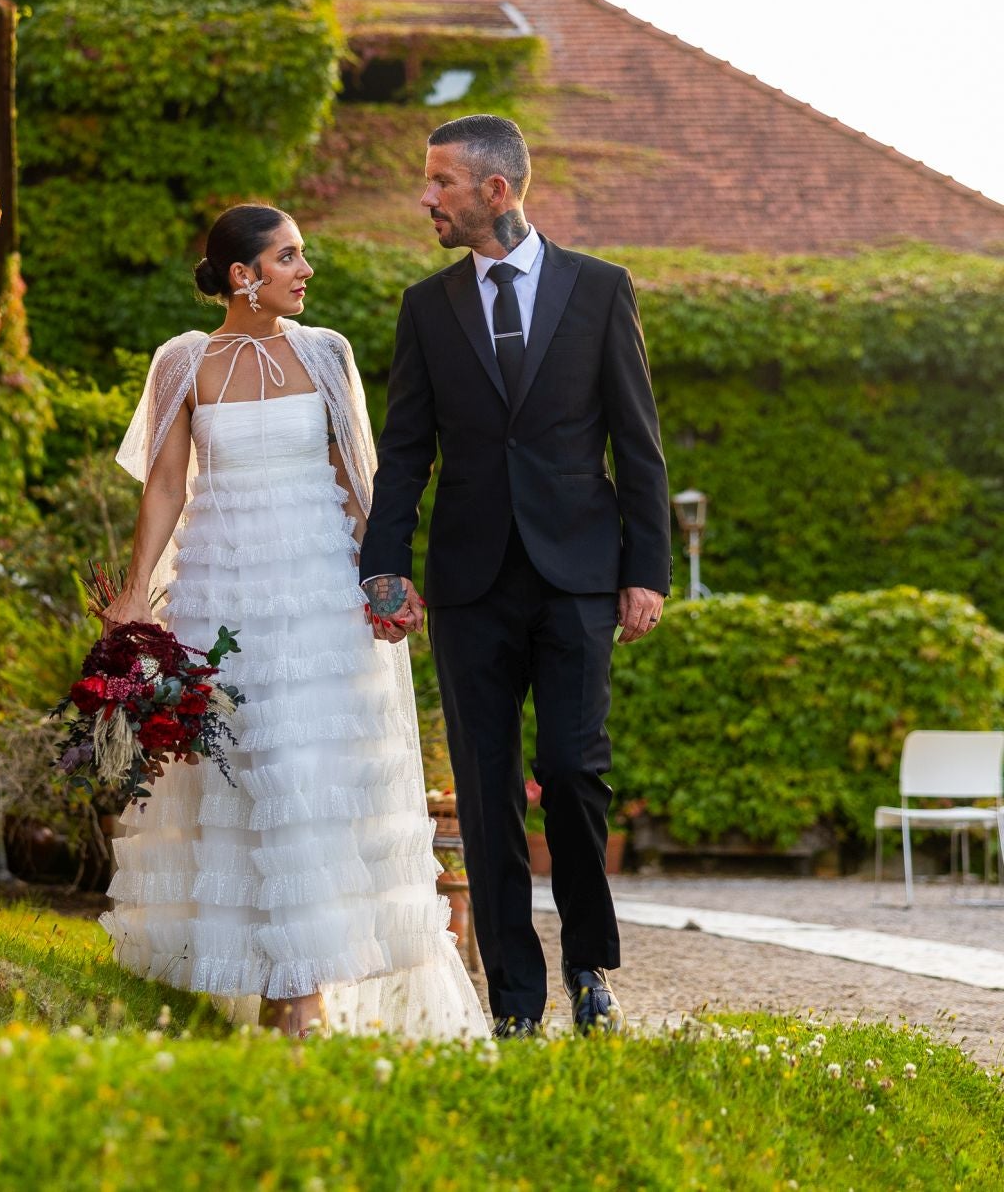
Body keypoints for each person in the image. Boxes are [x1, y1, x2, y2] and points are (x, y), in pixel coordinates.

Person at [99, 203, 488, 1040]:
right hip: (221, 594)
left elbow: (359, 484)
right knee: (243, 779)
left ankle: (300, 997)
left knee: (308, 783)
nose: (306, 271)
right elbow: (166, 485)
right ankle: (273, 981)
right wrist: (137, 595)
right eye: (289, 257)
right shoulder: (182, 364)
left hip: (317, 595)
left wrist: (383, 581)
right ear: (243, 277)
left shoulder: (325, 352)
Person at [358, 114, 669, 1037]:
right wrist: (384, 566)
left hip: (577, 575)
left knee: (573, 773)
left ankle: (589, 967)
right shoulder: (426, 306)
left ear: (497, 190)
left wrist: (645, 567)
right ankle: (517, 1004)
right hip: (469, 582)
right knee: (487, 795)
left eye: (440, 184)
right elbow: (406, 451)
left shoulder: (601, 290)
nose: (426, 200)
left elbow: (638, 442)